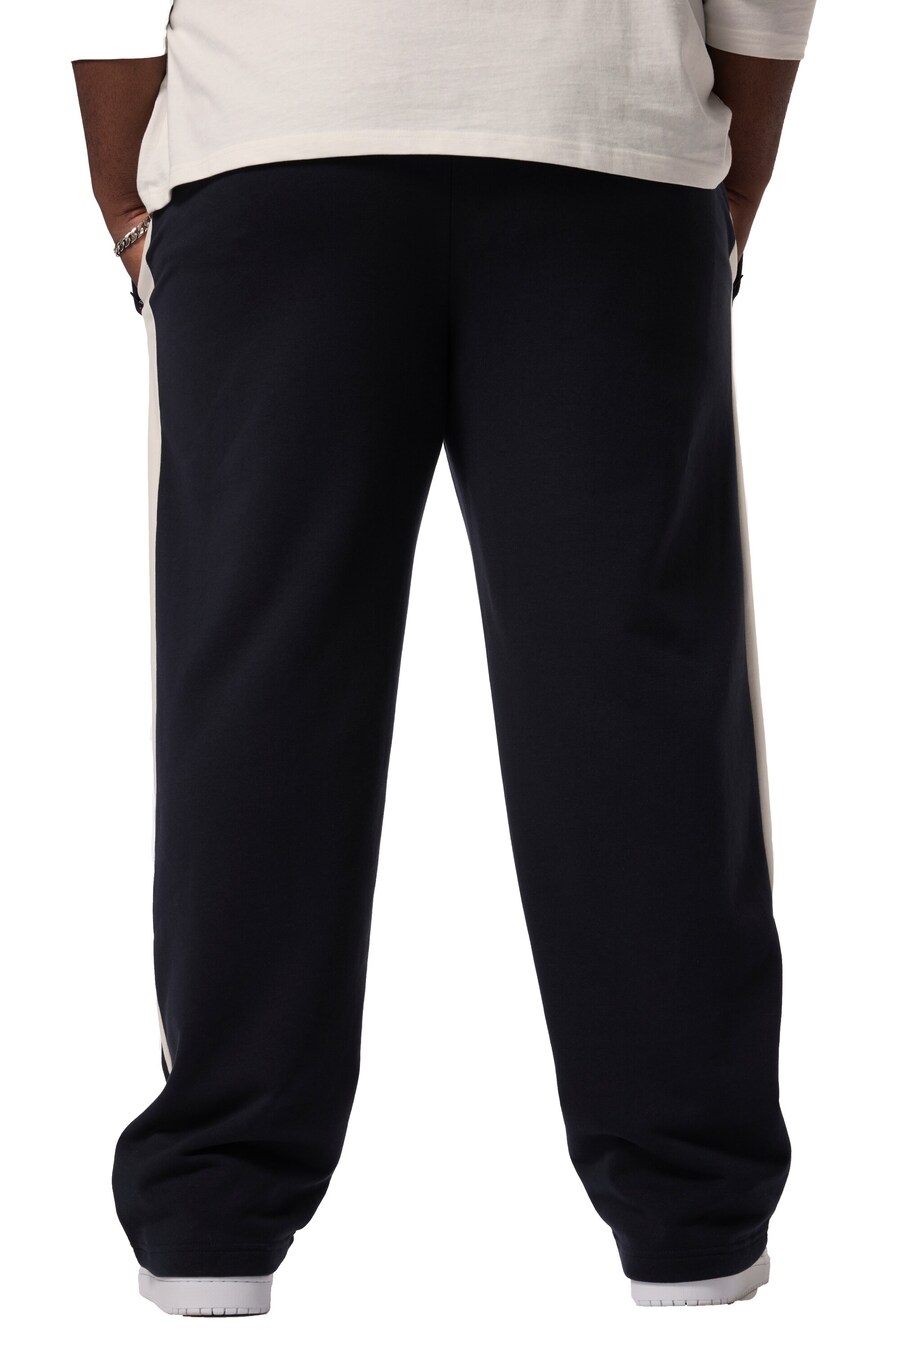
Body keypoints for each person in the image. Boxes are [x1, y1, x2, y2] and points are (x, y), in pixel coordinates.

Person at [72, 0, 817, 1318]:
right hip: (599, 126)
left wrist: (130, 182)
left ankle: (214, 1210)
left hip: (278, 126)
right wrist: (720, 167)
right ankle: (694, 1215)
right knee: (639, 689)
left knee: (257, 686)